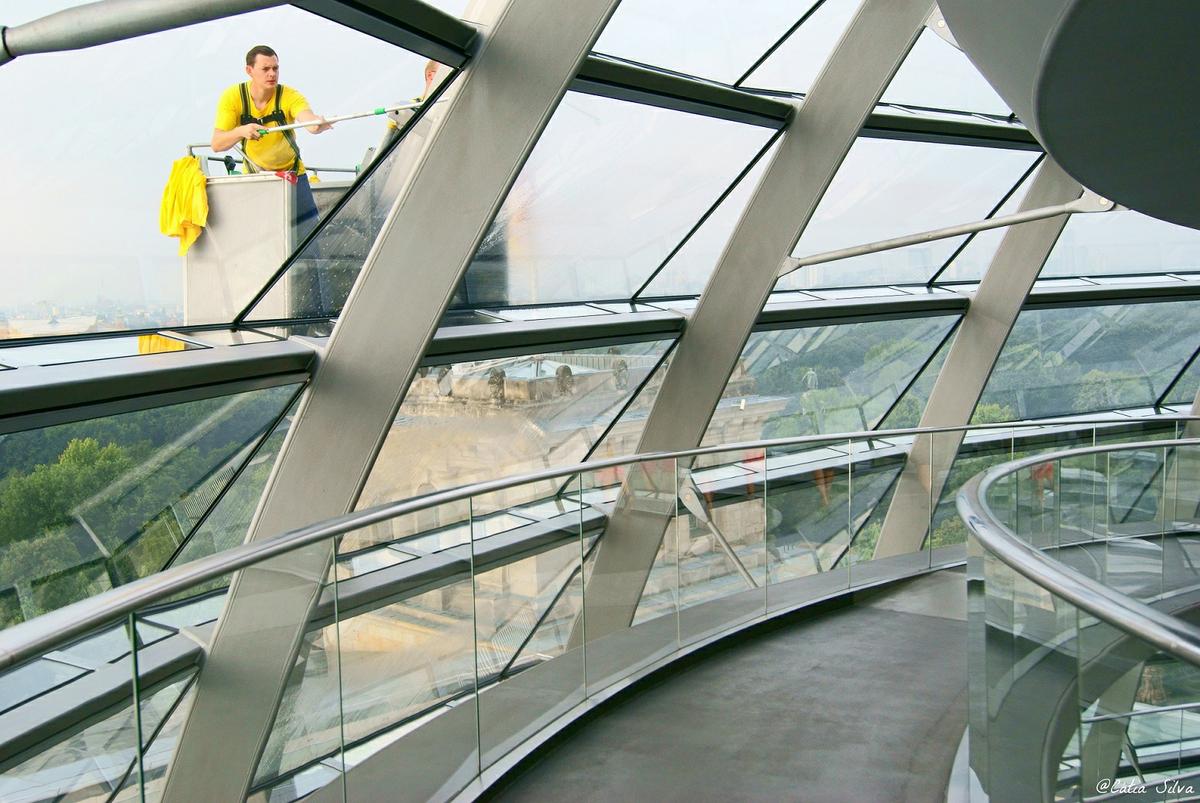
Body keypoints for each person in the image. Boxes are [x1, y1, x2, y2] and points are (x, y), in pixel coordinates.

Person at [211, 45, 331, 242]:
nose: (272, 74)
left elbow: (308, 120)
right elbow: (217, 144)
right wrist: (241, 131)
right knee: (259, 239)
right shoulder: (232, 97)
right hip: (256, 179)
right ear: (249, 71)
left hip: (293, 177)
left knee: (309, 239)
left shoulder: (289, 95)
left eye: (275, 68)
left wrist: (316, 125)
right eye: (265, 69)